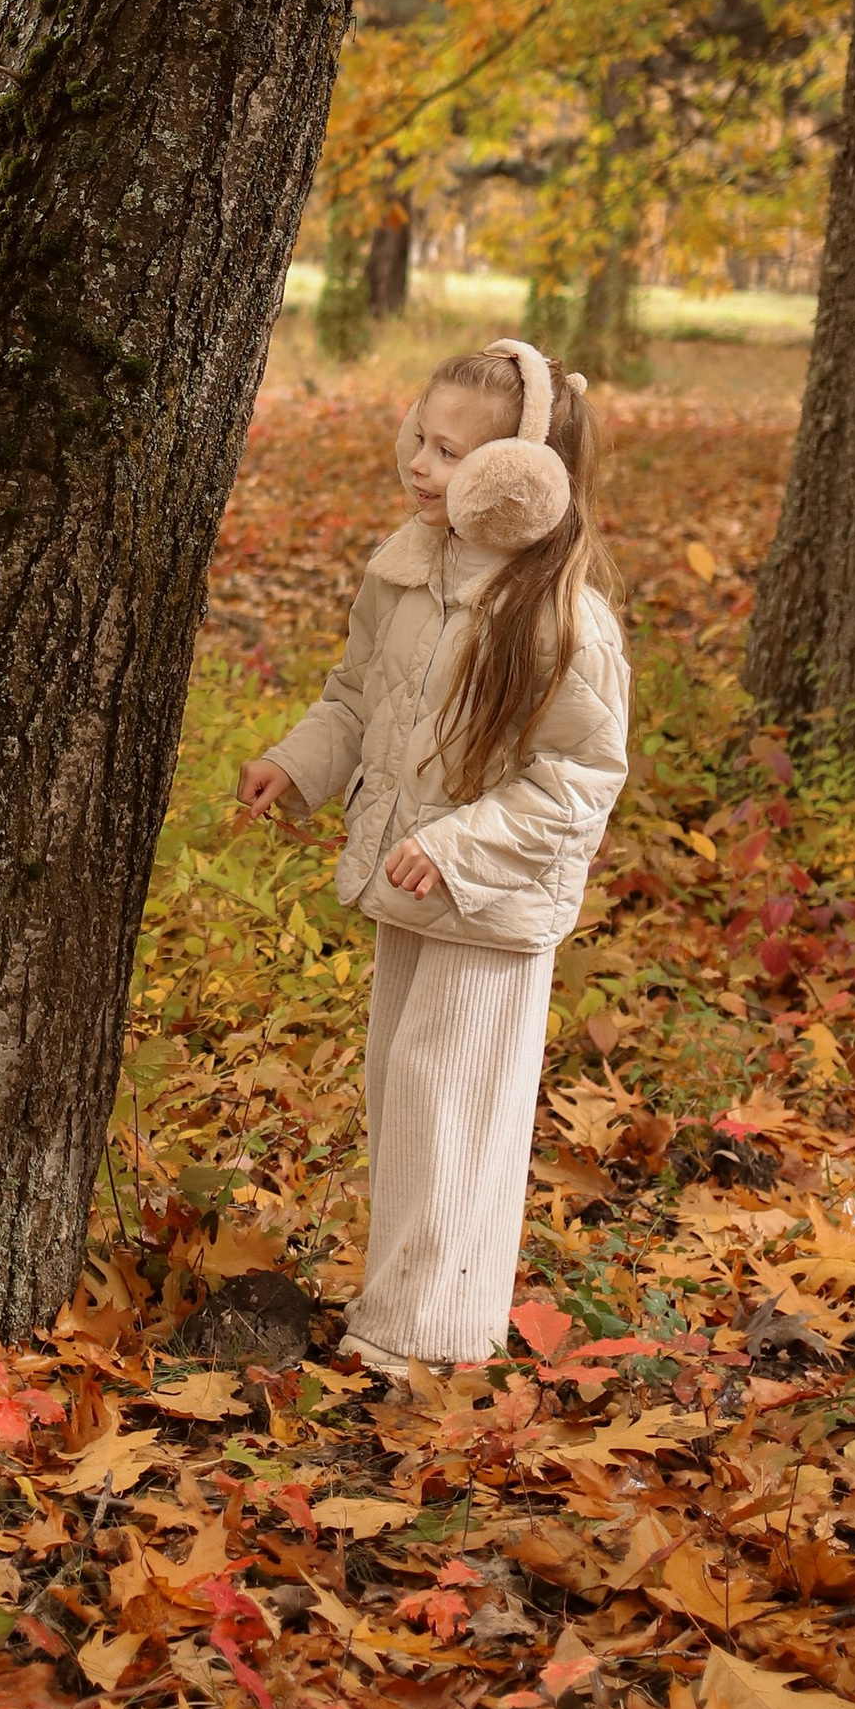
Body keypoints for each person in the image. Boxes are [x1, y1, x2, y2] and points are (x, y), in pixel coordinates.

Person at [237, 337, 627, 1375]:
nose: (420, 466)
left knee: (452, 1108)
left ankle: (429, 1342)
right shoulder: (406, 574)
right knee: (402, 1099)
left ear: (520, 477)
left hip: (486, 903)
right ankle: (406, 1311)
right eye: (421, 436)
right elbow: (358, 696)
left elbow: (580, 778)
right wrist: (298, 764)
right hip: (411, 888)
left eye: (452, 455)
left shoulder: (558, 619)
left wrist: (458, 845)